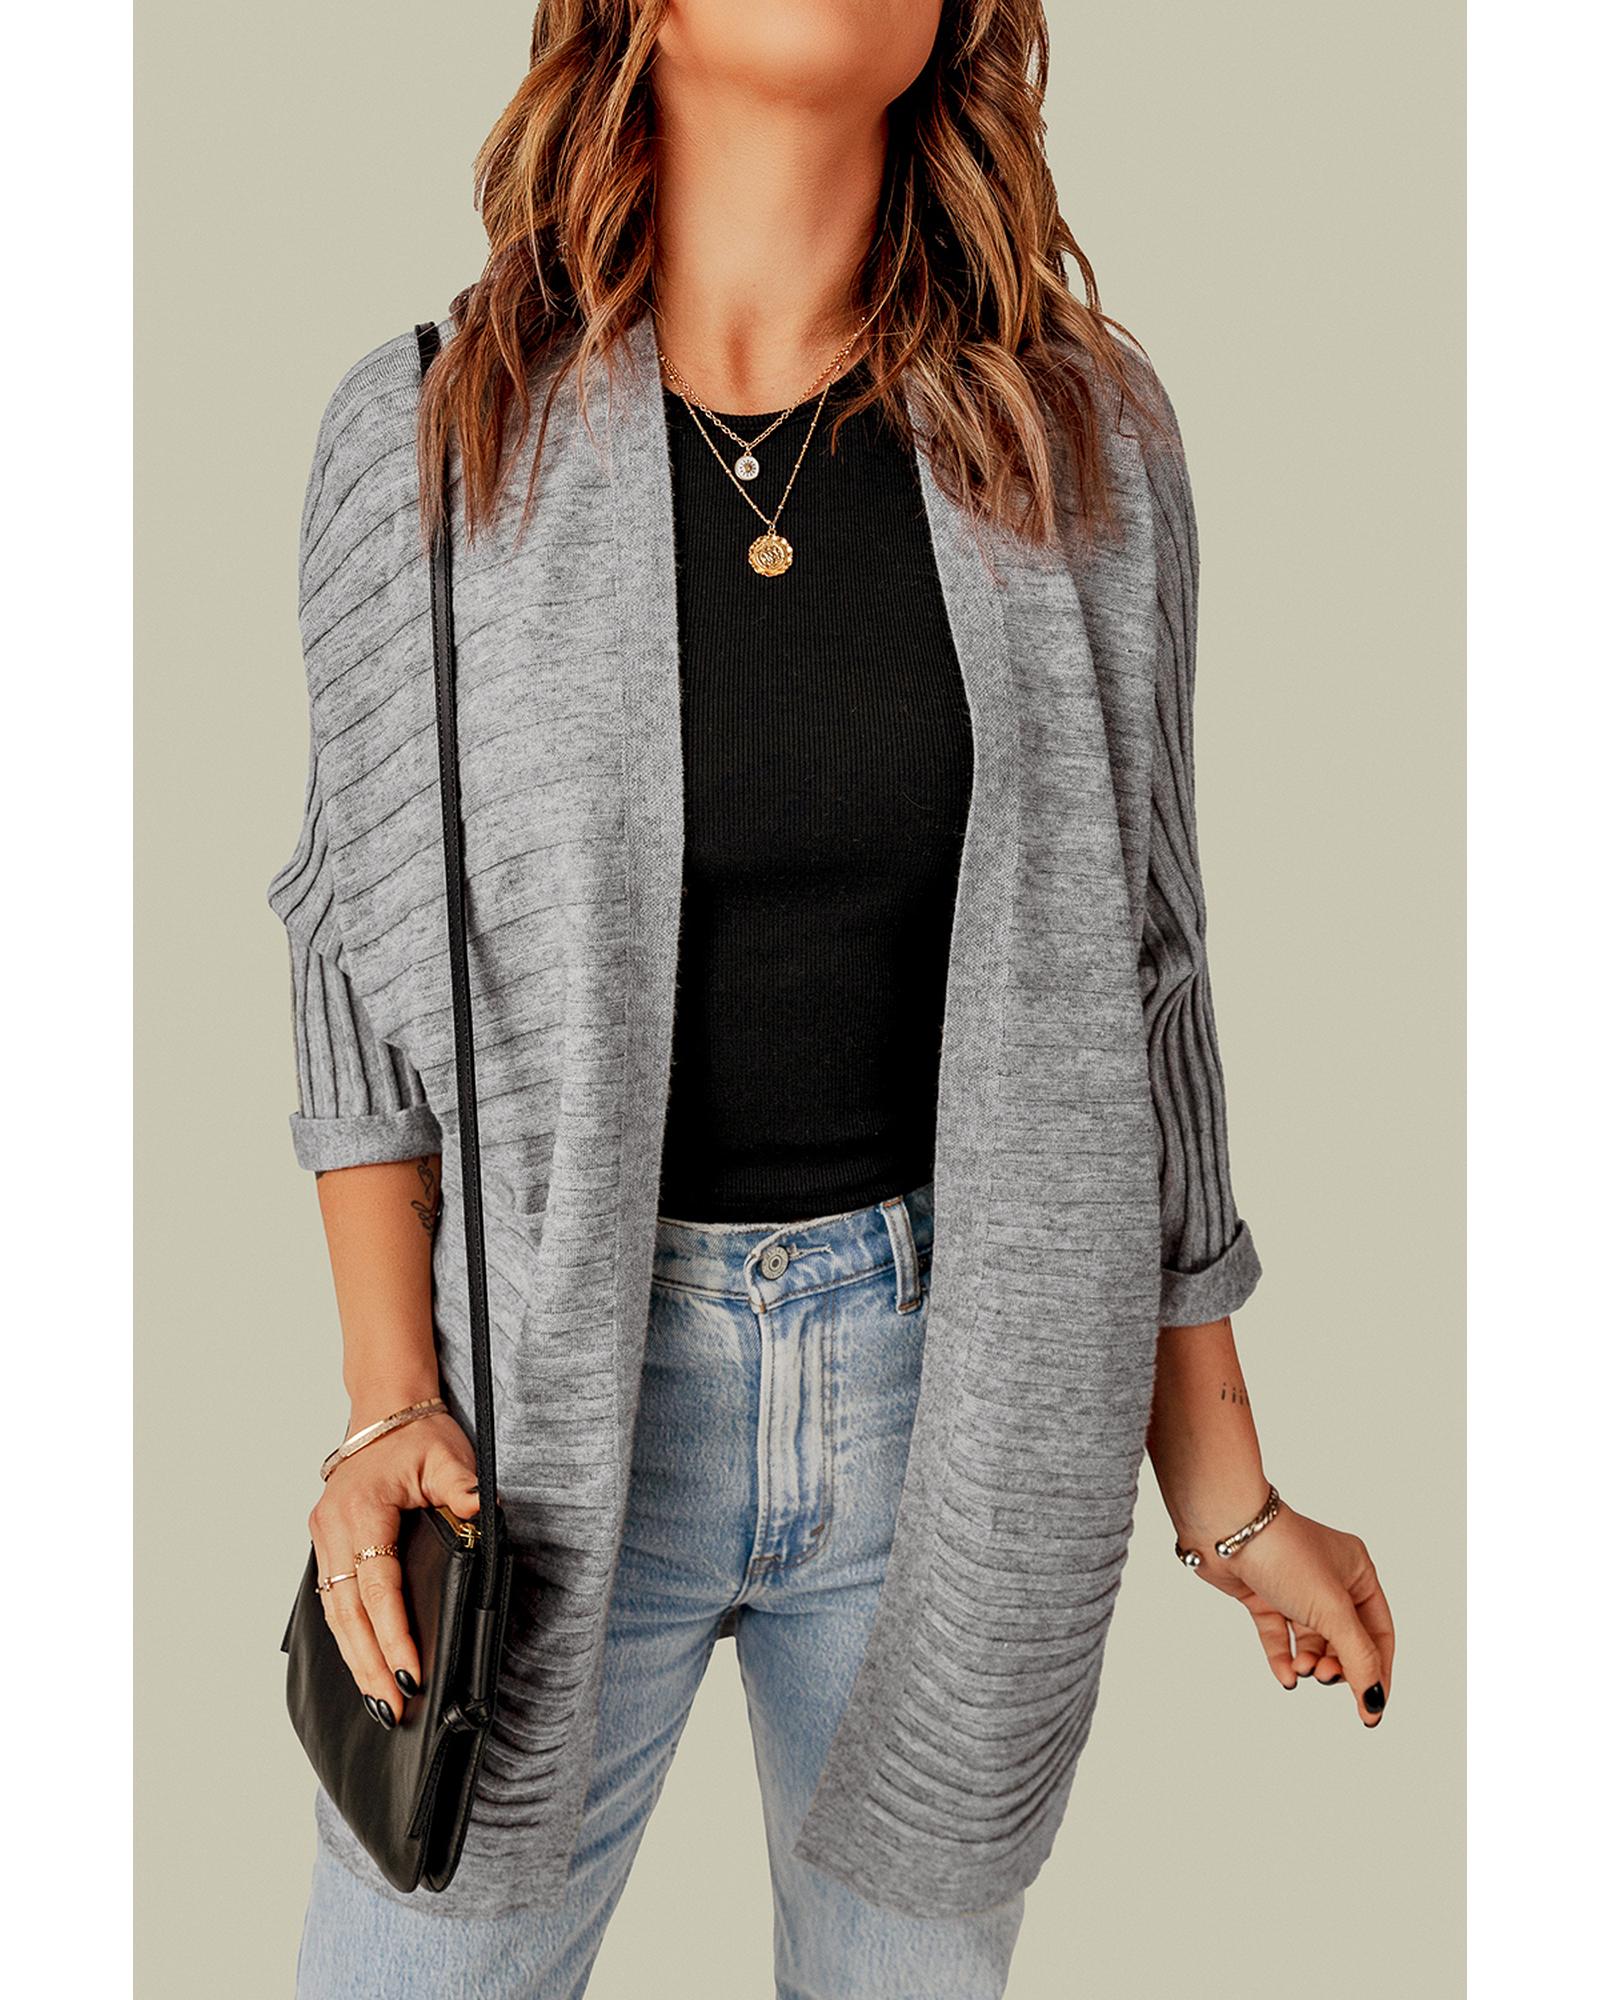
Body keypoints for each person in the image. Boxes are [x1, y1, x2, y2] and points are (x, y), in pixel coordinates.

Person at [271, 4, 1395, 1994]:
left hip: (956, 1398)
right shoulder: (435, 426)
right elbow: (351, 948)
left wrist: (1228, 1498)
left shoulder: (1079, 435)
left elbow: (1146, 971)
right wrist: (391, 1401)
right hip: (544, 1424)